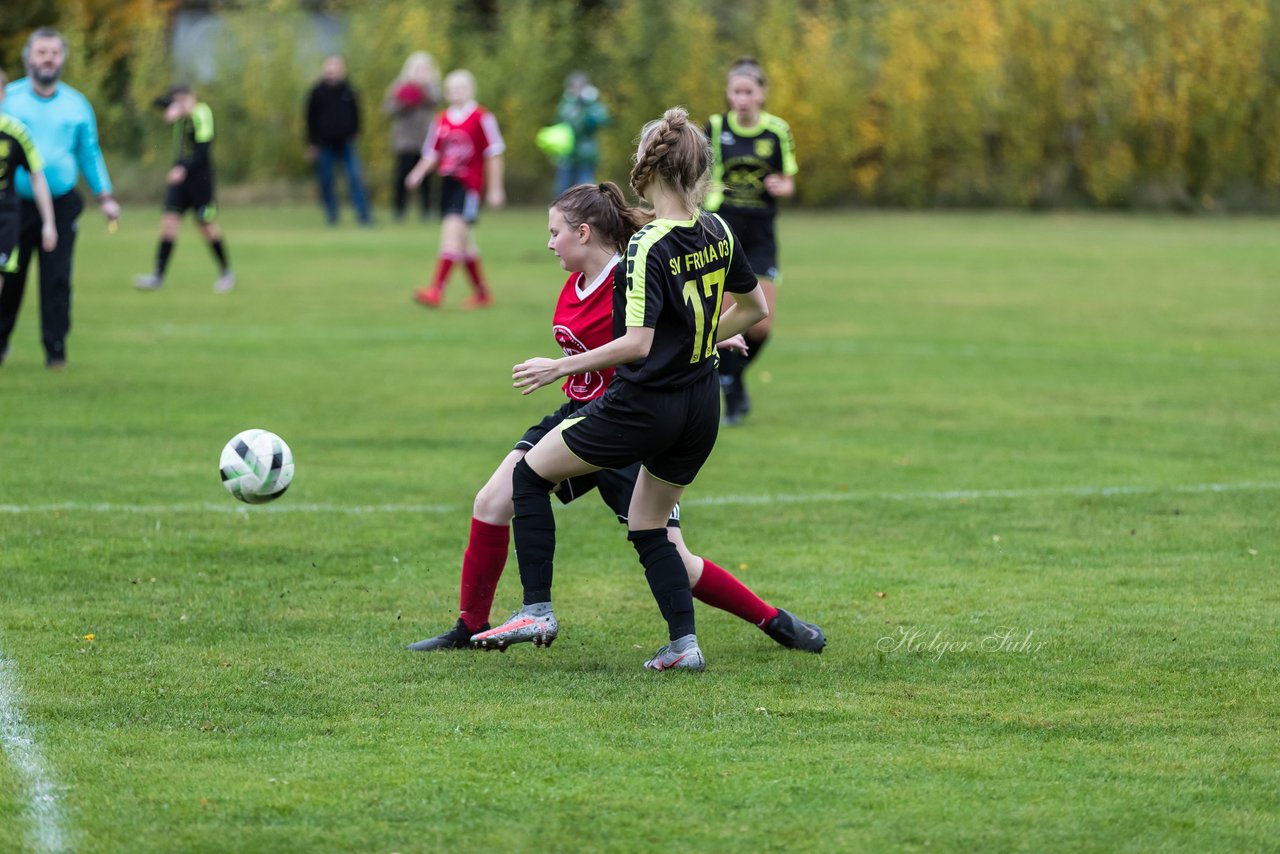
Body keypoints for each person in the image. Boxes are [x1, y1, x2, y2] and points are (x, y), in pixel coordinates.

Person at [407, 182, 824, 655]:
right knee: (491, 500)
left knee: (676, 559)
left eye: (554, 232)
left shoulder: (630, 275)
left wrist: (712, 335)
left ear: (583, 233)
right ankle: (469, 626)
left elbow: (662, 325)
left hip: (626, 423)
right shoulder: (577, 279)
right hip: (578, 414)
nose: (547, 243)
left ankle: (774, 621)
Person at [479, 107, 771, 671]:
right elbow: (753, 310)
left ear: (647, 166)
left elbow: (637, 345)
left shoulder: (645, 248)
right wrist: (704, 343)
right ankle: (684, 646)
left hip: (646, 405)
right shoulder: (718, 227)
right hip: (701, 406)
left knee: (527, 473)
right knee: (649, 525)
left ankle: (536, 608)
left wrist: (561, 368)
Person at [0, 27, 120, 370]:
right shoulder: (10, 99)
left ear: (63, 58)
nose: (48, 58)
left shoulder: (77, 104)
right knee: (10, 275)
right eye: (41, 52)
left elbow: (90, 153)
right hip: (14, 205)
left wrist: (106, 196)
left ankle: (55, 350)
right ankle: (1, 341)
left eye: (54, 52)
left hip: (62, 202)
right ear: (28, 59)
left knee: (57, 278)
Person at [705, 57, 798, 426]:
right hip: (723, 231)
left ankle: (732, 376)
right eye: (735, 92)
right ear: (728, 94)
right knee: (728, 317)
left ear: (761, 94)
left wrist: (782, 186)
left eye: (749, 91)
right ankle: (728, 385)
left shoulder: (777, 131)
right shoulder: (714, 127)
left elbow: (788, 178)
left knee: (760, 324)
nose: (742, 98)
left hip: (760, 234)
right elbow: (702, 173)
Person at [406, 69, 505, 309]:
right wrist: (418, 173)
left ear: (471, 90)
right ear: (447, 93)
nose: (457, 92)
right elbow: (432, 153)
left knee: (451, 235)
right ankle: (482, 293)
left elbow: (494, 153)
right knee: (464, 241)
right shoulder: (442, 119)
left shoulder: (482, 117)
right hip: (448, 184)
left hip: (468, 185)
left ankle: (436, 291)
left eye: (462, 87)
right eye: (452, 88)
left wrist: (495, 188)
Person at [134, 85, 234, 294]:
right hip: (180, 182)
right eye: (177, 100)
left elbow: (204, 150)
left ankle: (226, 272)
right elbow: (156, 102)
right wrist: (171, 106)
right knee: (169, 224)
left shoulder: (201, 113)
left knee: (206, 227)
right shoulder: (180, 113)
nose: (181, 104)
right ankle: (158, 276)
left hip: (200, 181)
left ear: (193, 97)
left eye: (184, 100)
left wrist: (183, 169)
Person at [0, 71, 58, 299]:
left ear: (3, 95)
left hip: (4, 220)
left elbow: (37, 176)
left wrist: (49, 224)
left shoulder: (16, 132)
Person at [305, 55, 372, 226]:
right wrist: (312, 143)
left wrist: (356, 131)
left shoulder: (349, 90)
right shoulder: (317, 92)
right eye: (330, 67)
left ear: (342, 70)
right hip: (324, 144)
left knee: (355, 178)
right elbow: (310, 119)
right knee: (326, 180)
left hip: (346, 143)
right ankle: (332, 215)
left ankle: (363, 215)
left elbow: (357, 114)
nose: (333, 71)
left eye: (336, 67)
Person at [382, 52, 440, 222]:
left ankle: (426, 210)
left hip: (426, 137)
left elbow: (437, 101)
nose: (421, 72)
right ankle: (399, 210)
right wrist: (404, 101)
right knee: (402, 174)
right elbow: (388, 108)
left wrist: (422, 91)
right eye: (418, 68)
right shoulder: (399, 85)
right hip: (405, 138)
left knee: (427, 176)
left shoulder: (432, 86)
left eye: (424, 69)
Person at [552, 72, 610, 195]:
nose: (577, 90)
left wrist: (585, 106)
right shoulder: (566, 104)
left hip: (586, 154)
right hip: (566, 153)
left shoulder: (593, 105)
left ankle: (586, 211)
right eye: (574, 86)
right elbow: (560, 122)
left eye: (580, 86)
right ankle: (562, 212)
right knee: (563, 188)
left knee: (586, 187)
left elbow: (603, 120)